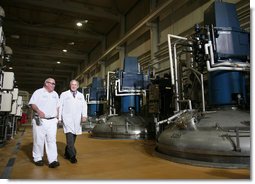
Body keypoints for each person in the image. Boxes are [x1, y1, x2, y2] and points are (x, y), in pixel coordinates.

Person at [28, 78, 60, 168]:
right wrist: (38, 111)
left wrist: (57, 117)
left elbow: (58, 106)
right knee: (39, 140)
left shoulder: (55, 94)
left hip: (52, 121)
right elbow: (32, 104)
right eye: (52, 83)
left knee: (52, 140)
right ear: (46, 83)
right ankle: (38, 158)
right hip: (40, 120)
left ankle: (53, 160)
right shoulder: (38, 92)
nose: (53, 85)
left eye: (54, 84)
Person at [59, 79, 87, 163]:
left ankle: (67, 153)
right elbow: (60, 106)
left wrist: (84, 116)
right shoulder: (64, 94)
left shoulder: (81, 95)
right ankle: (72, 156)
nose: (73, 86)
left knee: (74, 137)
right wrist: (59, 118)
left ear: (78, 86)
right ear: (70, 85)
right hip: (67, 119)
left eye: (75, 85)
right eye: (72, 84)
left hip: (77, 119)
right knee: (70, 137)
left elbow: (84, 106)